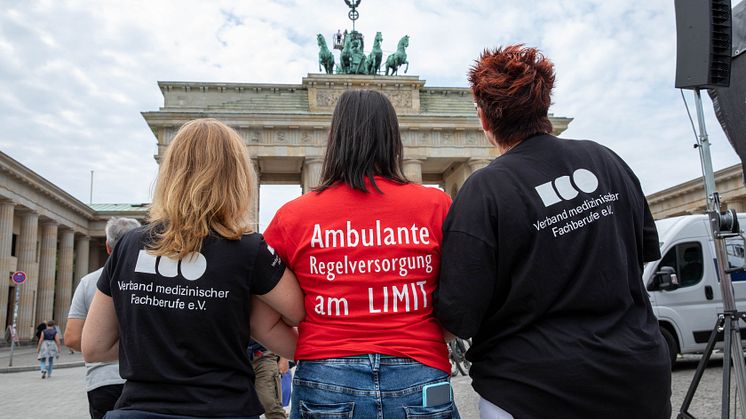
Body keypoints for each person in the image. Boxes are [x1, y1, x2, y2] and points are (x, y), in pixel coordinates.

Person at [434, 44, 672, 418]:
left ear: (484, 119)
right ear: (545, 106)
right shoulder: (605, 160)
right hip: (636, 379)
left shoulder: (485, 191)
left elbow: (458, 315)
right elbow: (639, 253)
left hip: (530, 391)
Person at [82, 118, 305, 419]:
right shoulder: (249, 249)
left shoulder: (129, 245)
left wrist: (155, 351)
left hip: (138, 410)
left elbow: (93, 346)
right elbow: (298, 312)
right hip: (222, 408)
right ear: (237, 177)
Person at [263, 90, 459, 419]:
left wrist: (319, 350)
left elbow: (261, 315)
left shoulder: (293, 216)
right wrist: (425, 336)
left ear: (334, 139)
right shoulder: (436, 207)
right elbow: (464, 301)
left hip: (325, 381)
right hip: (423, 375)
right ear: (394, 139)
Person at [65, 217, 141, 419]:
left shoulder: (89, 282)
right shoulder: (155, 279)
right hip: (144, 380)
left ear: (107, 247)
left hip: (103, 380)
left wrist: (102, 347)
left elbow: (72, 338)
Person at [247, 339, 287, 419]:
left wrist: (284, 358)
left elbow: (282, 328)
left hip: (263, 356)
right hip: (237, 355)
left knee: (269, 402)